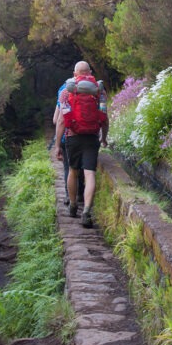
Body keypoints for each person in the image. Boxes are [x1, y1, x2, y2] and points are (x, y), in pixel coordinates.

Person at [52, 61, 109, 228]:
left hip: (73, 137)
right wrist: (103, 138)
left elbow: (61, 121)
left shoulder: (66, 91)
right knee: (89, 173)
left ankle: (73, 205)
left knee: (73, 171)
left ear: (75, 73)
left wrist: (57, 145)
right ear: (90, 72)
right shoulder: (100, 91)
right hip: (92, 137)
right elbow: (104, 119)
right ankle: (86, 211)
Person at [52, 76, 84, 206]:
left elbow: (56, 120)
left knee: (69, 168)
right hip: (87, 135)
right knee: (83, 166)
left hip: (68, 137)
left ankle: (69, 196)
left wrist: (57, 144)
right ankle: (81, 193)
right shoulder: (93, 89)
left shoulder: (64, 90)